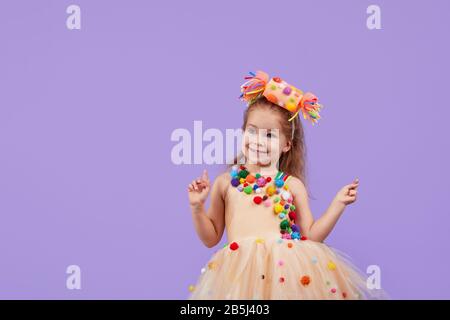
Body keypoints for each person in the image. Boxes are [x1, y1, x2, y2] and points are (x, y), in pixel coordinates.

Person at [187, 71, 386, 299]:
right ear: (243, 132)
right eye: (252, 131)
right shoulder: (225, 183)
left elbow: (311, 235)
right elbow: (211, 238)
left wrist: (338, 204)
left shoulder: (292, 185)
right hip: (240, 276)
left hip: (287, 273)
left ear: (287, 145)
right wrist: (197, 208)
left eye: (270, 135)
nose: (259, 141)